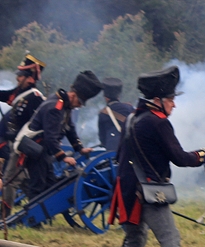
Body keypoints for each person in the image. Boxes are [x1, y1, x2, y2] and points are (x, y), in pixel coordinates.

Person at [107, 66, 205, 247]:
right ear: (158, 100)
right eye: (171, 99)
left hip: (127, 190)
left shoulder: (132, 118)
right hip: (148, 191)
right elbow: (180, 158)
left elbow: (119, 154)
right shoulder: (158, 122)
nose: (174, 104)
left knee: (135, 239)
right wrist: (203, 155)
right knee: (170, 237)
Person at [15, 70, 102, 199]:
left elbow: (69, 128)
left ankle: (43, 217)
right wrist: (63, 157)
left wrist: (79, 148)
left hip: (43, 151)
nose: (79, 106)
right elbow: (51, 137)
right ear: (73, 95)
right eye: (79, 102)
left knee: (50, 184)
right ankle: (31, 218)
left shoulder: (65, 107)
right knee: (38, 185)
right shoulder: (55, 108)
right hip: (36, 149)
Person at [0, 55, 45, 206]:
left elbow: (38, 125)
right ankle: (36, 208)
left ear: (30, 78)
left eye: (21, 76)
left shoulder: (35, 97)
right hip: (17, 143)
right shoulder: (19, 92)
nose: (18, 78)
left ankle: (4, 215)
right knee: (24, 180)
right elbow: (5, 95)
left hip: (25, 145)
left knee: (9, 180)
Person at [97, 77, 134, 152]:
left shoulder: (103, 114)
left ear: (106, 98)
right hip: (130, 148)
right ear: (118, 96)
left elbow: (103, 138)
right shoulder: (130, 108)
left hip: (113, 149)